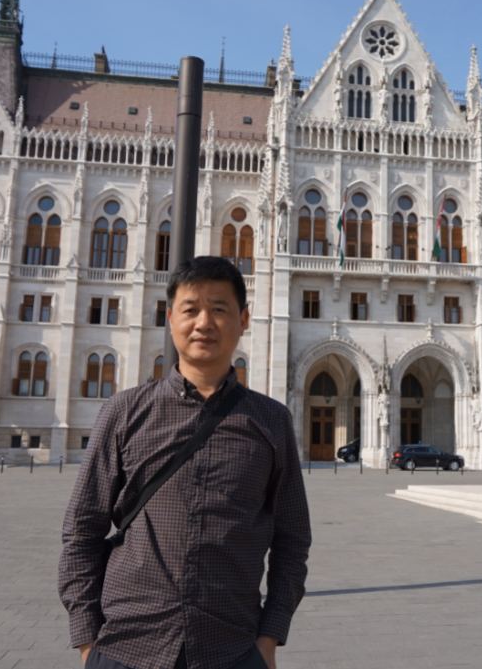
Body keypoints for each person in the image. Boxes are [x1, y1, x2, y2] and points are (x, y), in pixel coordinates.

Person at [59, 257, 311, 669]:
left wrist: (270, 637)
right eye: (191, 309)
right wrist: (87, 639)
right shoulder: (124, 412)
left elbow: (293, 537)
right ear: (171, 318)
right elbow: (82, 529)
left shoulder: (271, 420)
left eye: (219, 309)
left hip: (232, 648)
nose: (204, 323)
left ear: (243, 320)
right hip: (126, 646)